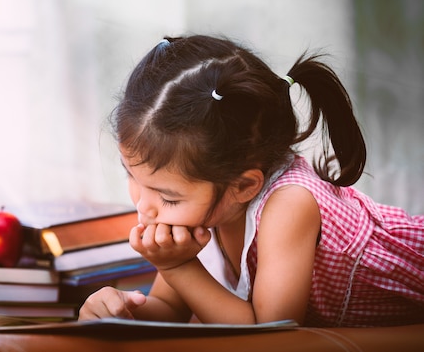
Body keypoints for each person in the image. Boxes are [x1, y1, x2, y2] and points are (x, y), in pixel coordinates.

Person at [79, 34, 424, 327]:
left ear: (244, 186)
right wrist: (119, 315)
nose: (144, 206)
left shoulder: (289, 204)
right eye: (132, 176)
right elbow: (171, 308)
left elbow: (269, 335)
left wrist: (181, 266)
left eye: (167, 197)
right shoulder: (206, 201)